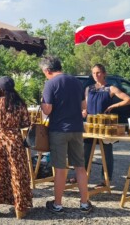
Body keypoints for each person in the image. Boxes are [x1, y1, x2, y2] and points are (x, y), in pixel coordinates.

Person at [40, 56, 93, 214]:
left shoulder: (50, 83)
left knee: (60, 169)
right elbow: (84, 107)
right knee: (80, 167)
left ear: (48, 70)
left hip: (59, 130)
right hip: (77, 129)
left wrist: (42, 102)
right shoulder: (77, 82)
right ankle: (84, 203)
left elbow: (47, 110)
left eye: (44, 72)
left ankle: (58, 204)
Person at [0, 76, 32, 219]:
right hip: (15, 141)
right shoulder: (21, 104)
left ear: (1, 89)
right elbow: (26, 122)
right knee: (18, 173)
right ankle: (20, 209)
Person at [83, 63, 130, 186]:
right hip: (91, 125)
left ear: (104, 73)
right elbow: (85, 104)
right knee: (86, 153)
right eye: (94, 73)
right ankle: (83, 177)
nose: (96, 75)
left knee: (106, 154)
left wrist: (113, 105)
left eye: (98, 72)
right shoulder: (89, 89)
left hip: (105, 126)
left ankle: (106, 179)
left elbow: (129, 100)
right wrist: (83, 110)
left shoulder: (111, 88)